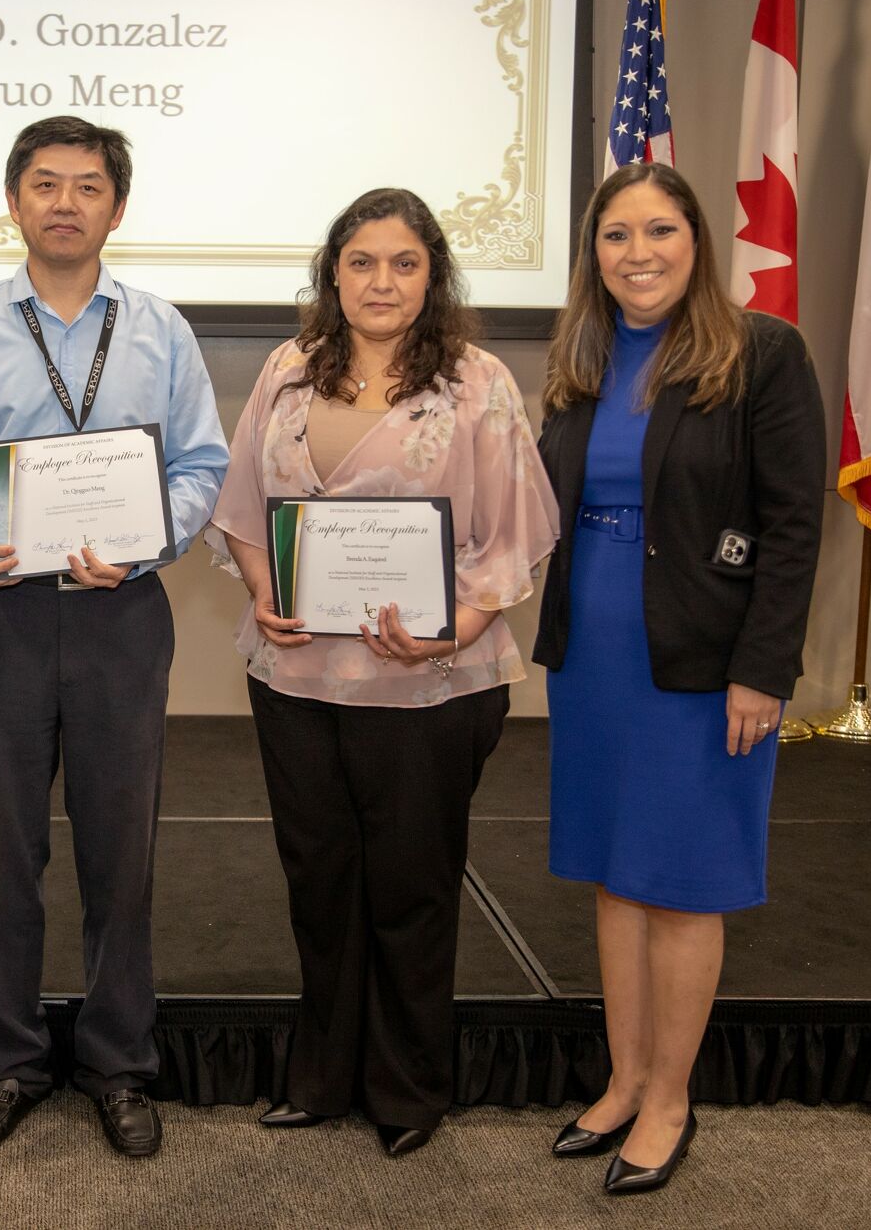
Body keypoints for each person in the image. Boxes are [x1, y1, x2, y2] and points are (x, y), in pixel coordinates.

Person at [204, 188, 558, 1156]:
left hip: (427, 687)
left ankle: (407, 1090)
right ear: (332, 274)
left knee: (409, 885)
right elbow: (241, 505)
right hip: (294, 674)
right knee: (318, 879)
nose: (380, 281)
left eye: (403, 263)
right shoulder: (285, 369)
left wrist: (460, 624)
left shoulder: (476, 381)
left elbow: (518, 530)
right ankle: (321, 1078)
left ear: (431, 275)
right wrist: (263, 587)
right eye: (360, 262)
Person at [0, 116, 228, 1159]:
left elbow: (199, 464)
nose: (63, 202)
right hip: (1, 612)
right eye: (43, 184)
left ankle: (115, 1060)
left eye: (85, 186)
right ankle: (4, 1061)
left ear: (116, 207)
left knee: (119, 852)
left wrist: (147, 543)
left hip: (118, 615)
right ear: (13, 201)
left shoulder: (160, 328)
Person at [535, 161, 823, 1195]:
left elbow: (793, 525)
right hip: (595, 654)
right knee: (616, 877)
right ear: (592, 252)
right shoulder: (582, 357)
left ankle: (668, 1101)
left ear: (696, 242)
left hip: (704, 660)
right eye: (615, 236)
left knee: (682, 881)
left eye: (658, 231)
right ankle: (621, 1081)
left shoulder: (760, 354)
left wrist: (762, 670)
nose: (637, 253)